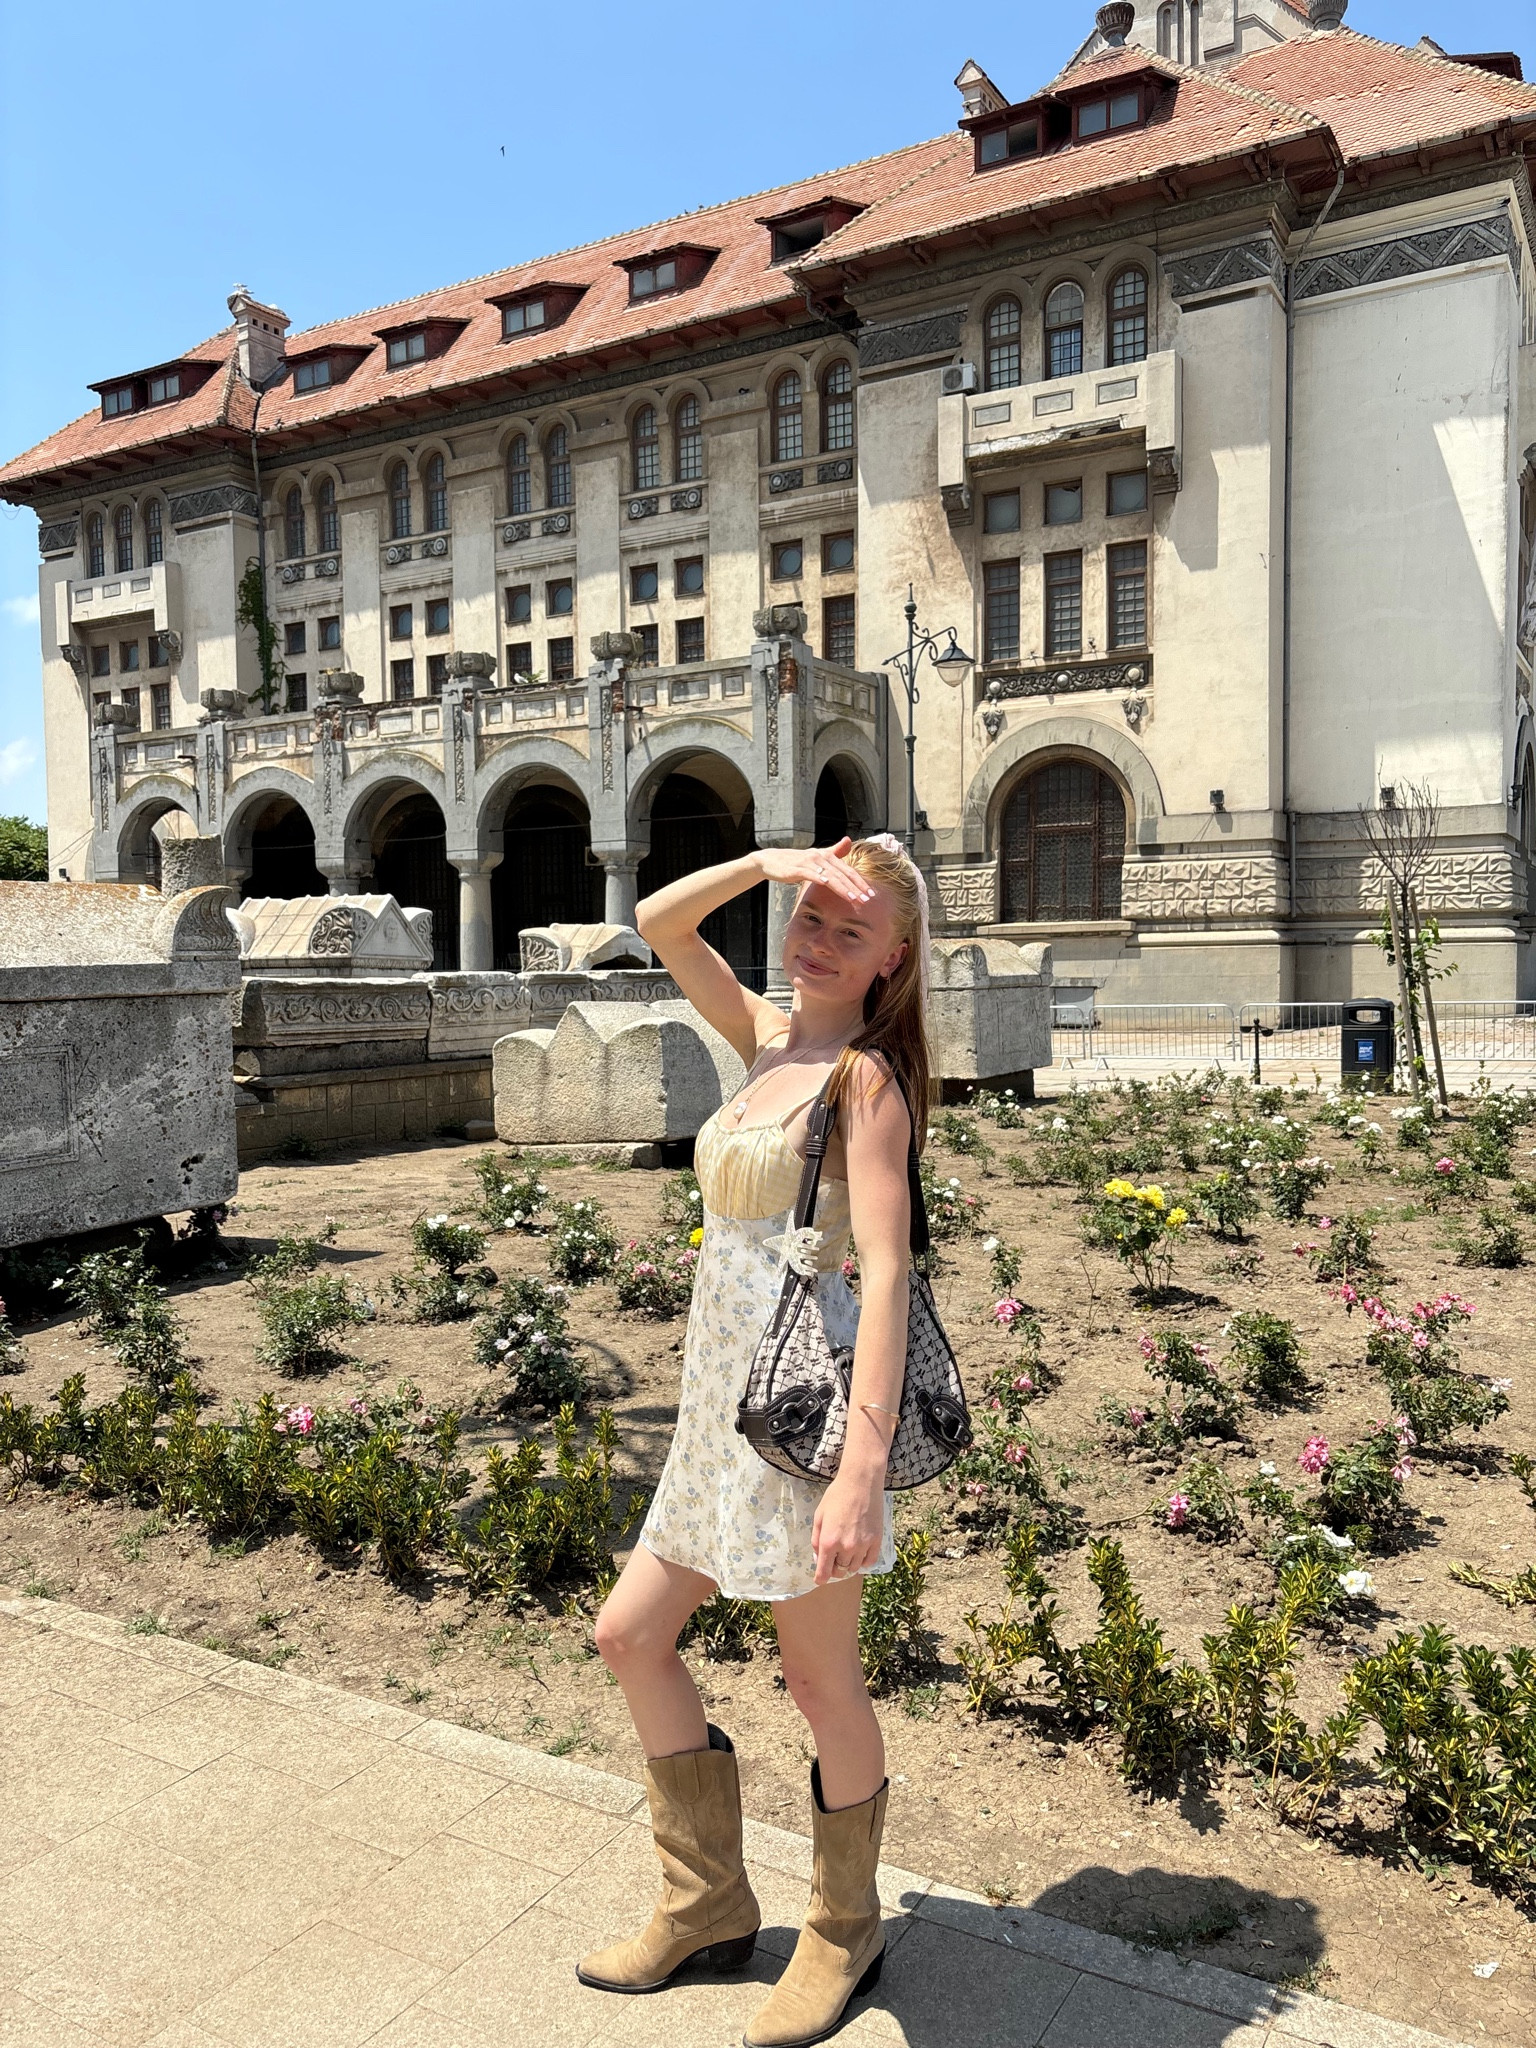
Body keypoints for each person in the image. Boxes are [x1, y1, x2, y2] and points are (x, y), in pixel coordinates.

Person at [576, 832, 933, 2046]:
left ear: (891, 960)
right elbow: (661, 921)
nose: (818, 940)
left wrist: (863, 1471)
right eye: (810, 916)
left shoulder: (864, 1084)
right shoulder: (769, 1040)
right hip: (710, 1420)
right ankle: (708, 1903)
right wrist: (774, 858)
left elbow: (885, 1271)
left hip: (803, 1424)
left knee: (819, 1679)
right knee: (630, 1634)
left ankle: (843, 1930)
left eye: (849, 928)